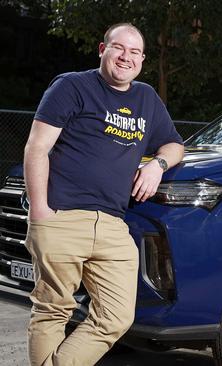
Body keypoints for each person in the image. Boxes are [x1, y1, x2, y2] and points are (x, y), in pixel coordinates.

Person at [23, 23, 184, 365]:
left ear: (142, 59)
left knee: (116, 316)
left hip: (113, 224)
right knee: (53, 311)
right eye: (119, 48)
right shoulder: (72, 86)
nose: (126, 57)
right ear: (102, 49)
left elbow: (174, 145)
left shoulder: (146, 99)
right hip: (63, 216)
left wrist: (157, 164)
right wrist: (40, 211)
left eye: (135, 52)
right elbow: (37, 148)